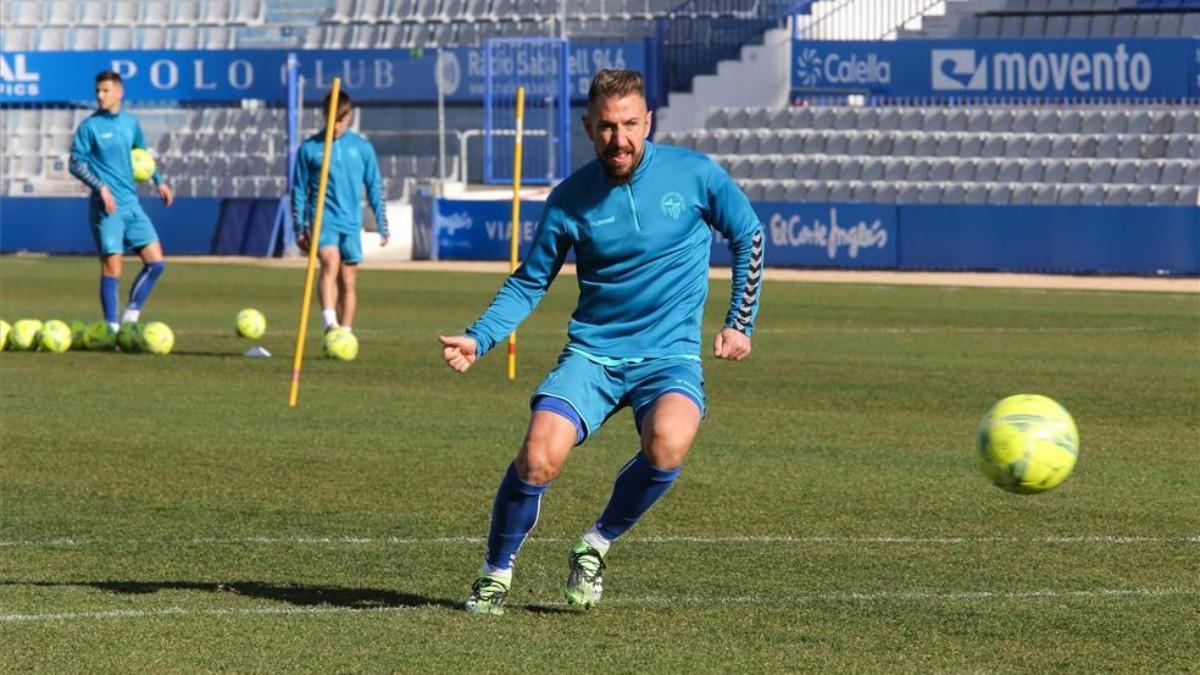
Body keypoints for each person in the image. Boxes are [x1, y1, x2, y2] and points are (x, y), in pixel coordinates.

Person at [439, 69, 764, 615]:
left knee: (669, 442)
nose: (620, 139)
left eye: (631, 124)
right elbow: (529, 280)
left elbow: (748, 233)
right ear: (589, 127)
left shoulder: (695, 175)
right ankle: (495, 572)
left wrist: (740, 321)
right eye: (608, 127)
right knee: (539, 457)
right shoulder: (569, 200)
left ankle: (596, 544)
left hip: (669, 358)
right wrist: (480, 337)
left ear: (649, 122)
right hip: (593, 355)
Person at [69, 70, 174, 334]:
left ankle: (131, 315)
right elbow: (75, 163)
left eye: (105, 90)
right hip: (107, 207)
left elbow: (142, 154)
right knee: (112, 267)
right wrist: (101, 188)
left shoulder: (130, 123)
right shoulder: (90, 127)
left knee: (156, 263)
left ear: (119, 92)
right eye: (97, 91)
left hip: (131, 204)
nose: (99, 95)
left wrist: (159, 181)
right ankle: (112, 328)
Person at [291, 91, 389, 334]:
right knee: (329, 262)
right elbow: (299, 190)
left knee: (347, 279)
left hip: (350, 221)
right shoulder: (310, 148)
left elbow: (374, 185)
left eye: (341, 120)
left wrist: (381, 222)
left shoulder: (362, 148)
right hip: (323, 219)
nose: (336, 125)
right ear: (324, 115)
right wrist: (299, 227)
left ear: (349, 117)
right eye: (331, 119)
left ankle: (344, 333)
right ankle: (329, 323)